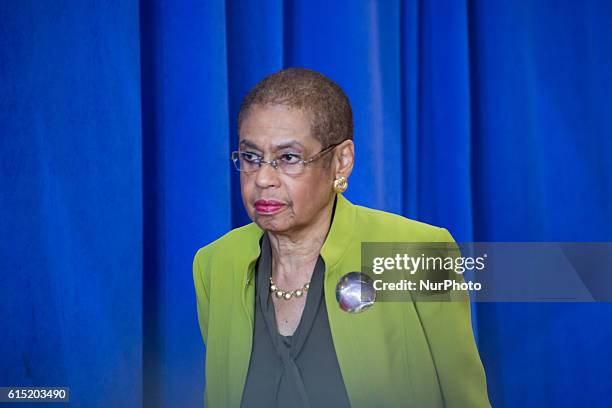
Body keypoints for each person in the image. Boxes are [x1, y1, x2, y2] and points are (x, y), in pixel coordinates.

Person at [192, 67, 490, 407]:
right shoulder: (215, 264)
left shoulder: (418, 252)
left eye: (288, 158)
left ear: (341, 161)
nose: (263, 179)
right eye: (251, 157)